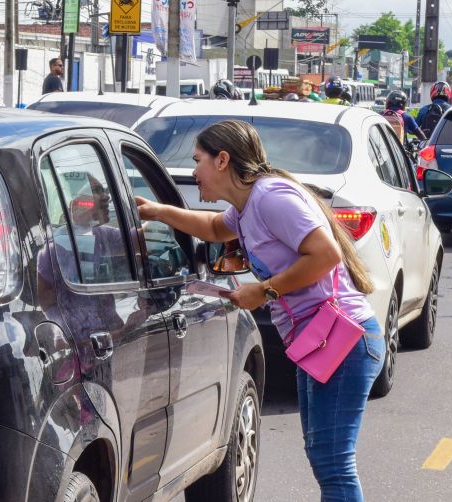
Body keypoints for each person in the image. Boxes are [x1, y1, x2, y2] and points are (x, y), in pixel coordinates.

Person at [135, 119, 384, 502]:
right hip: (318, 341)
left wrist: (264, 291)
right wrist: (158, 211)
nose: (193, 171)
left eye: (197, 160)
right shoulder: (248, 205)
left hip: (344, 340)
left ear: (222, 160)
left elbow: (326, 254)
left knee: (333, 464)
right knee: (324, 457)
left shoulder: (270, 197)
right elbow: (215, 228)